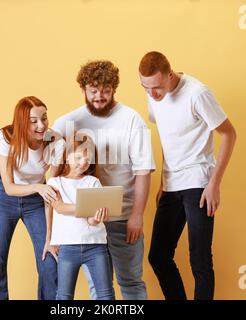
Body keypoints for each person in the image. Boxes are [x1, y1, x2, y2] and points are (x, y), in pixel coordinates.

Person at [52, 60, 156, 300]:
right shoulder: (68, 122)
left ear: (114, 89)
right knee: (98, 289)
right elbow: (53, 171)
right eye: (93, 90)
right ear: (84, 89)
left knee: (130, 281)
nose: (99, 96)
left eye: (105, 90)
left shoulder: (131, 120)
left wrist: (137, 216)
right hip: (86, 223)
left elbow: (143, 171)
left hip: (122, 219)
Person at [138, 51, 237, 300]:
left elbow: (229, 134)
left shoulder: (197, 93)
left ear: (170, 75)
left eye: (157, 88)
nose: (152, 94)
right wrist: (162, 181)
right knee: (158, 257)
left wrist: (214, 184)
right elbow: (166, 136)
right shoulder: (153, 95)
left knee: (200, 260)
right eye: (145, 87)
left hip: (198, 183)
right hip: (171, 185)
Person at [0, 96, 64, 300]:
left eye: (44, 118)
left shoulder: (55, 141)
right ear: (22, 121)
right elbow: (10, 187)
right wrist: (38, 186)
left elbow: (51, 192)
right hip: (4, 198)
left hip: (38, 201)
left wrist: (49, 239)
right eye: (34, 120)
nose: (41, 125)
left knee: (50, 259)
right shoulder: (7, 137)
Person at [46, 133, 115, 300]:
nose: (83, 163)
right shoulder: (54, 183)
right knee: (63, 296)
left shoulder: (93, 182)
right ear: (66, 156)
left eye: (87, 159)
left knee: (105, 295)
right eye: (78, 157)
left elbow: (91, 220)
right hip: (68, 248)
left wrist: (96, 217)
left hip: (96, 246)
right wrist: (86, 208)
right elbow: (58, 208)